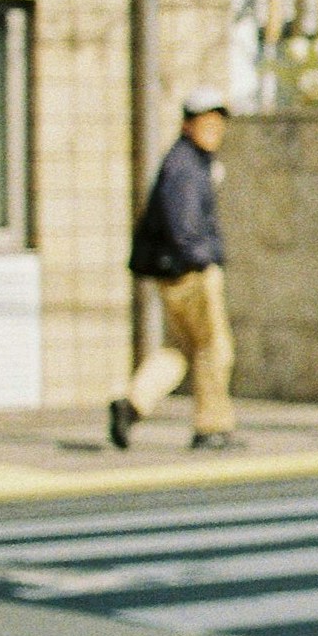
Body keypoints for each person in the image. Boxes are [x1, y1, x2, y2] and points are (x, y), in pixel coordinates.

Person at [109, 90, 237, 452]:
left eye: (218, 123)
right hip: (190, 272)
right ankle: (211, 427)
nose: (214, 130)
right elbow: (183, 224)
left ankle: (132, 404)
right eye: (206, 123)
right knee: (215, 347)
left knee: (178, 348)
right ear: (187, 125)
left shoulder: (188, 162)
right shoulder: (185, 166)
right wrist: (204, 257)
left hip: (176, 271)